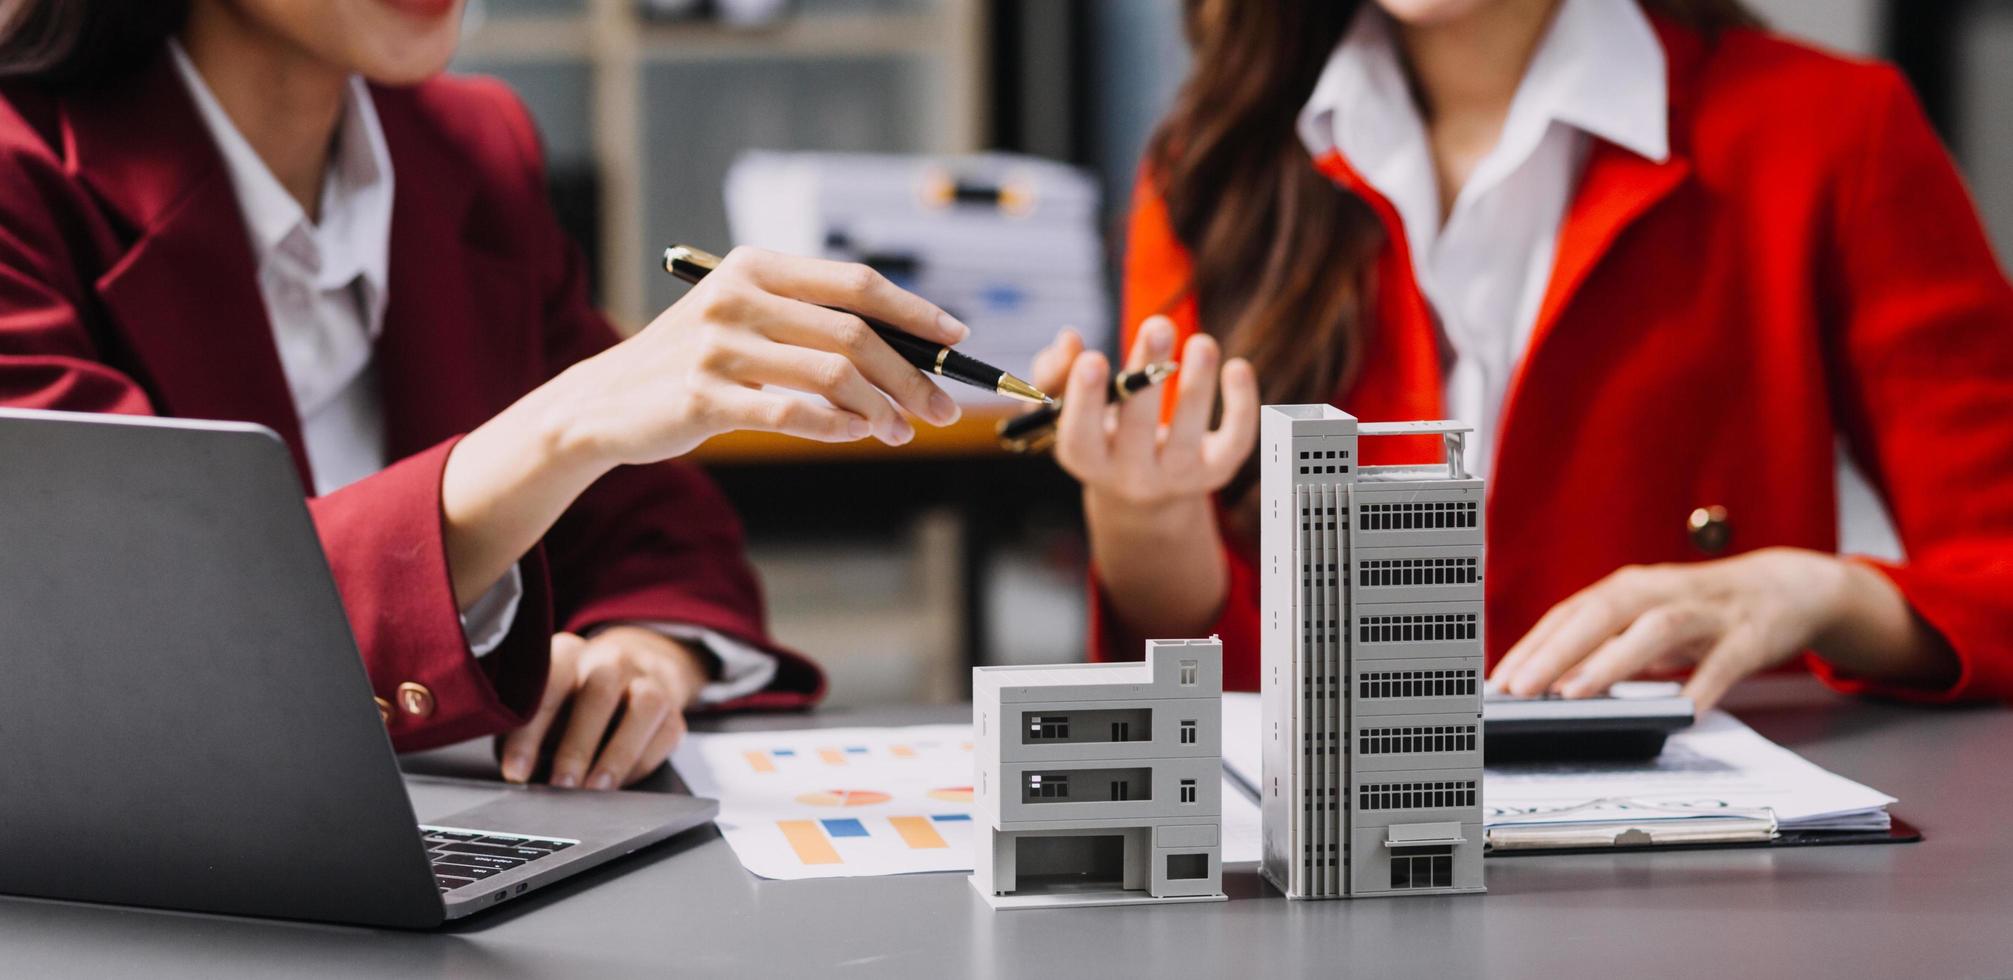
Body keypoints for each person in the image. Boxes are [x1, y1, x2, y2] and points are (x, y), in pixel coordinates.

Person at [0, 0, 973, 787]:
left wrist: (645, 655)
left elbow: (664, 537)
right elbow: (151, 632)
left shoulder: (467, 148)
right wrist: (562, 427)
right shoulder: (21, 177)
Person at [1032, 0, 2013, 710]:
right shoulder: (1213, 165)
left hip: (1703, 869)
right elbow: (1236, 693)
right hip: (1339, 877)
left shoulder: (1833, 131)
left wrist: (1822, 592)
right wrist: (1145, 514)